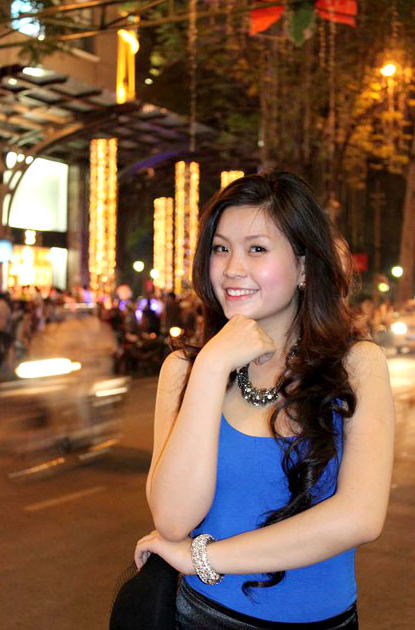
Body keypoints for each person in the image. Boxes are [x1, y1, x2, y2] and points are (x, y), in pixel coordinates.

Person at [134, 171, 394, 629]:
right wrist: (212, 367)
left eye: (257, 249)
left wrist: (203, 558)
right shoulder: (185, 370)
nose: (232, 268)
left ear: (304, 267)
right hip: (203, 619)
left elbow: (360, 517)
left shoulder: (356, 365)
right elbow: (173, 520)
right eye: (220, 248)